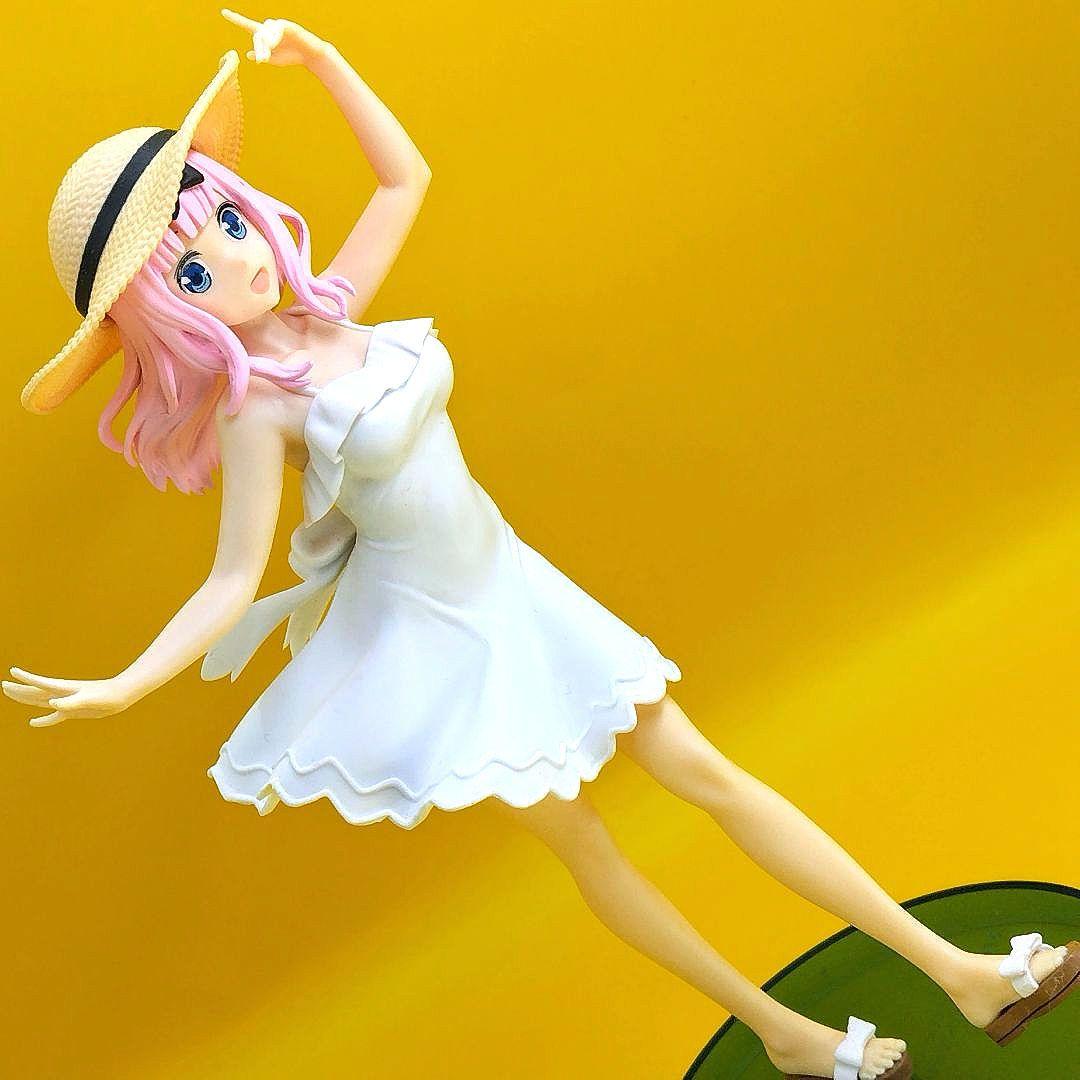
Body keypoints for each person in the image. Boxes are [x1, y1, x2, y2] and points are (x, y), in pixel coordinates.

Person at [6, 13, 1076, 1079]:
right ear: (166, 317)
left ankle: (963, 975)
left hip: (518, 589)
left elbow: (403, 180)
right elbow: (232, 577)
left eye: (230, 226)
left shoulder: (333, 311)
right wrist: (126, 684)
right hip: (437, 644)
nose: (236, 261)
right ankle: (788, 1036)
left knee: (708, 774)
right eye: (192, 274)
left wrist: (325, 63)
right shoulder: (255, 410)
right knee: (588, 845)